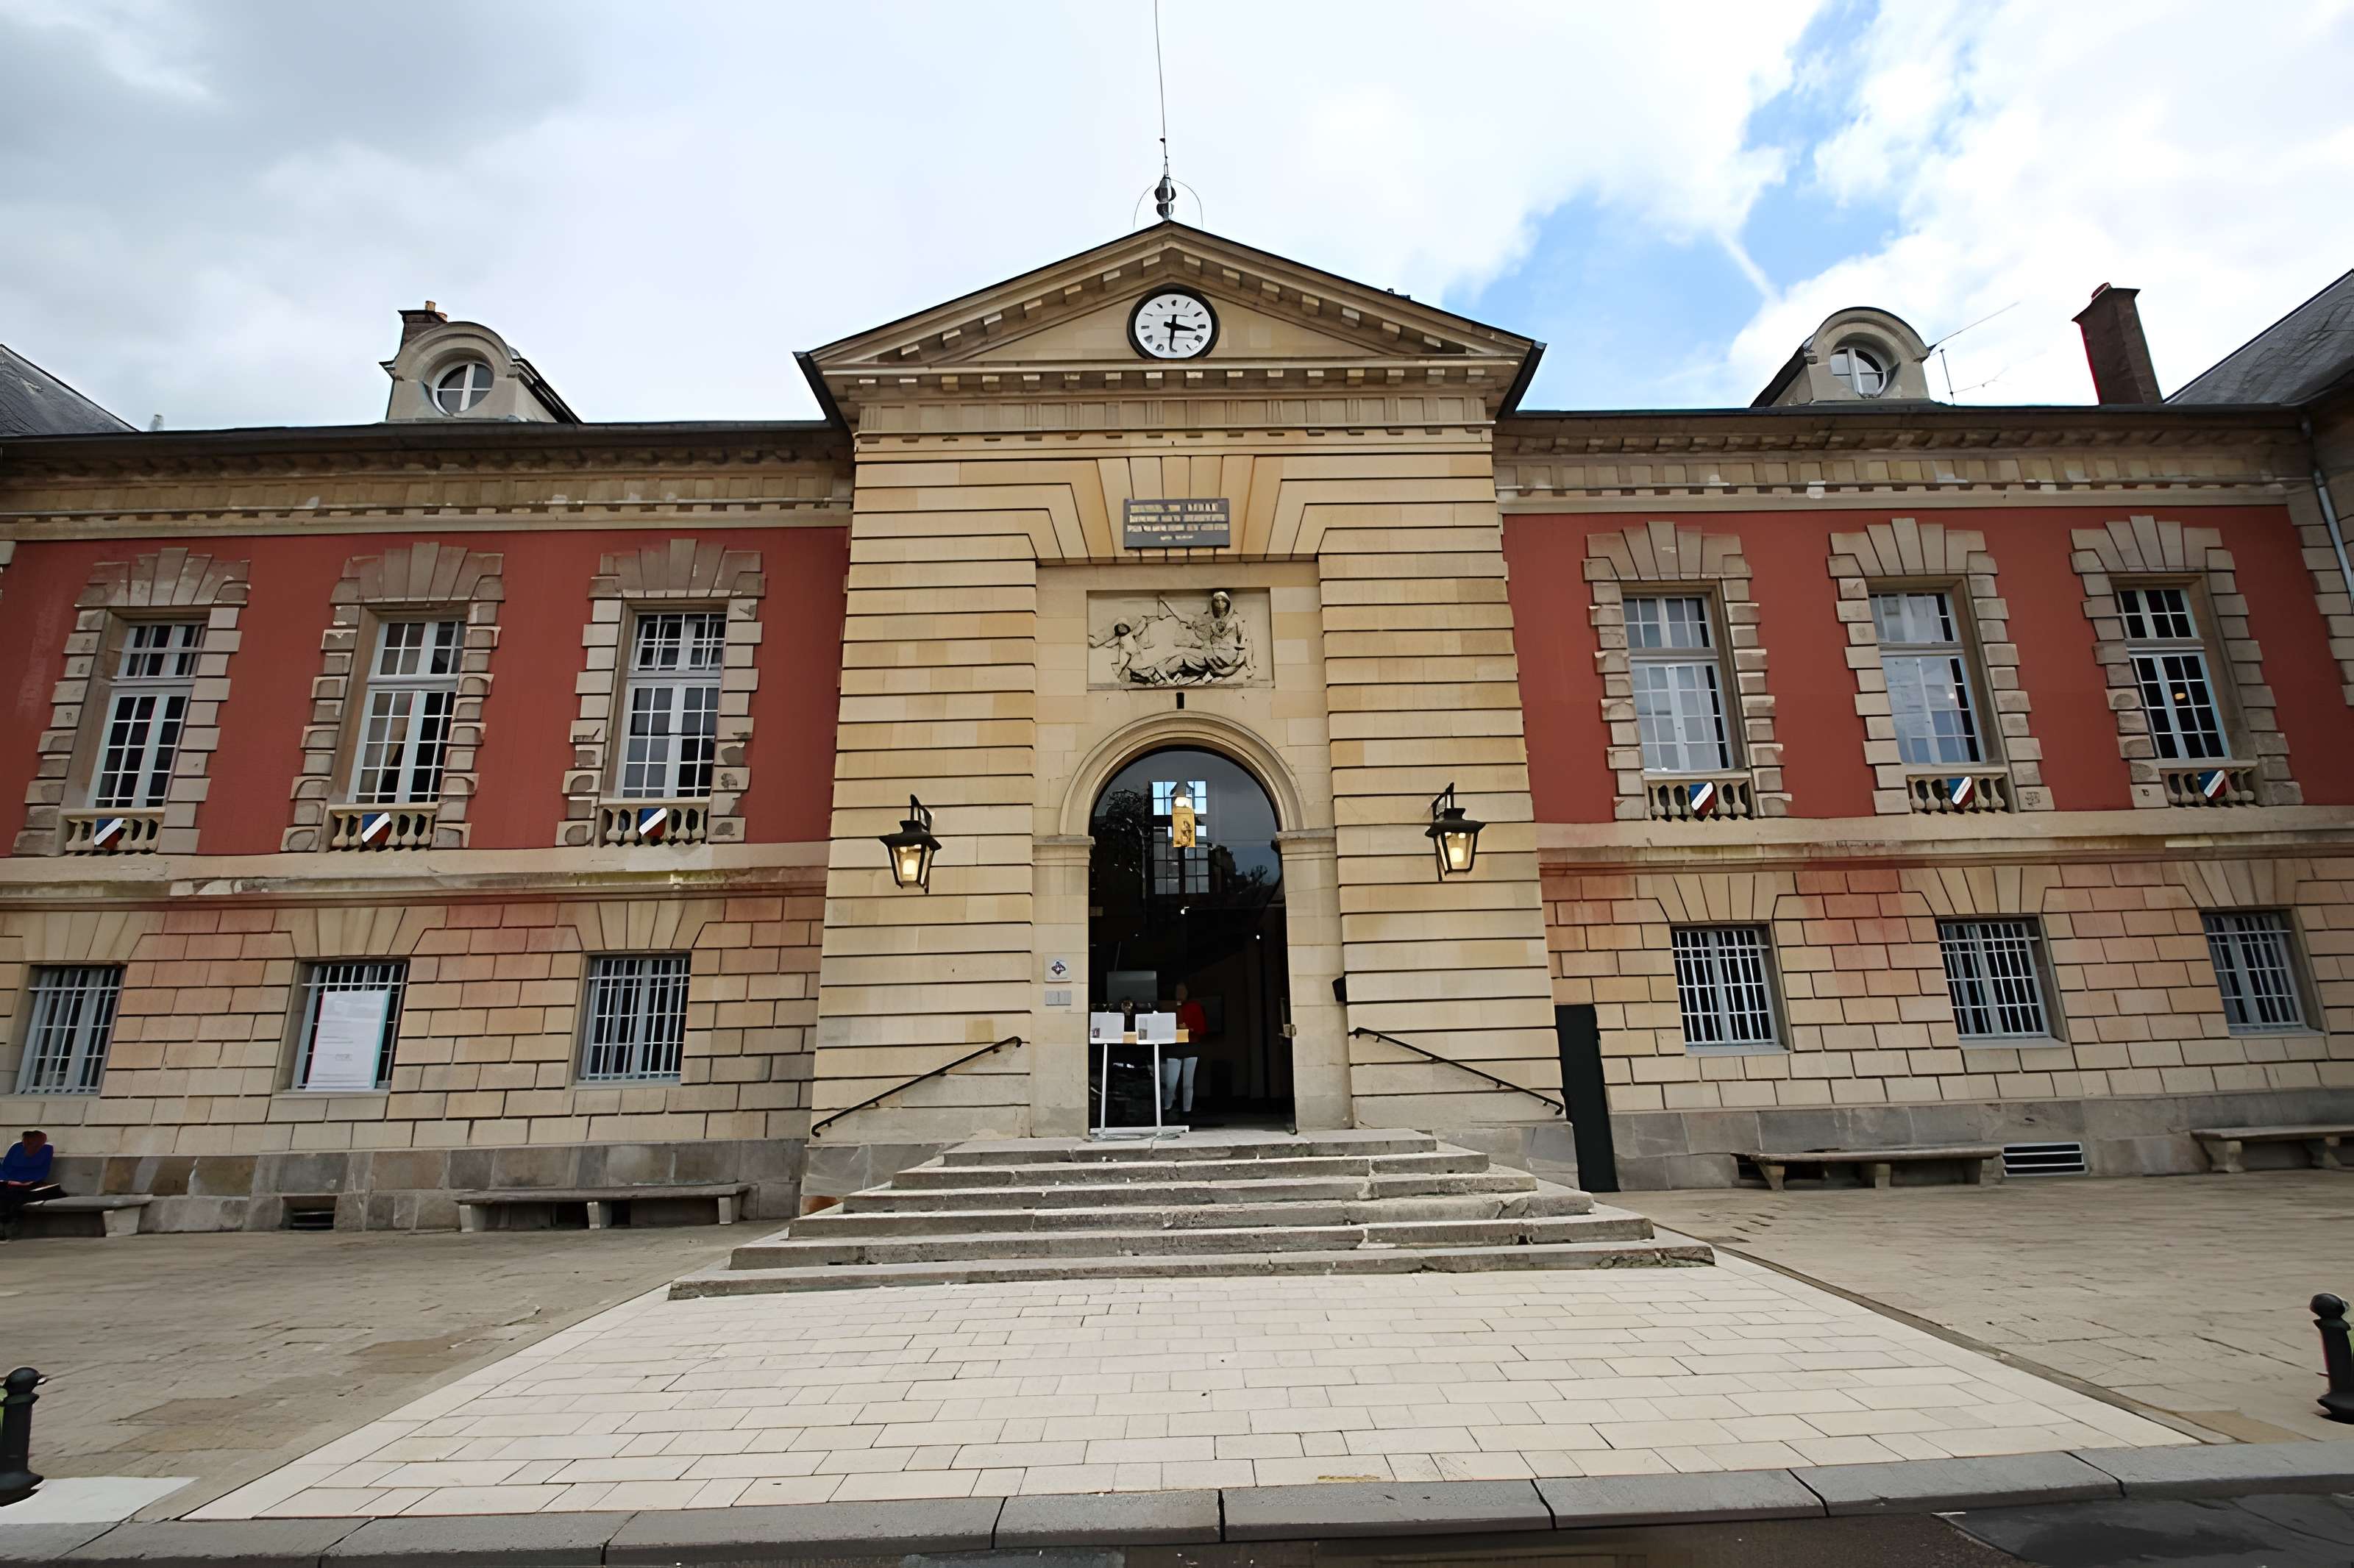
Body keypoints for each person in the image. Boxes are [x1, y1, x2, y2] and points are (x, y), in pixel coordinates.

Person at [0, 1130, 62, 1240]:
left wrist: (25, 1182)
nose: (30, 1146)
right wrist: (10, 1181)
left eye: (35, 1144)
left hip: (30, 1184)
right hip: (11, 1182)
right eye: (26, 1142)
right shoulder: (16, 1148)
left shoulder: (47, 1150)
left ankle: (7, 1224)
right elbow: (5, 1168)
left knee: (16, 1196)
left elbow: (42, 1172)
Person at [1164, 983, 1207, 1116]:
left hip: (1191, 1046)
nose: (1180, 993)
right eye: (1177, 991)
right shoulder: (1168, 1006)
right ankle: (1167, 1109)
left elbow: (1202, 1028)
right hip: (1173, 1048)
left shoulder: (1194, 1007)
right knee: (1171, 1084)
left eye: (1183, 990)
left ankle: (1187, 1111)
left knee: (1188, 1084)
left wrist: (1190, 1029)